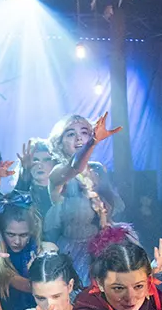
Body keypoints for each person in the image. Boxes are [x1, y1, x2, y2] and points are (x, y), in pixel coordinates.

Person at [43, 113, 123, 284]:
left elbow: (110, 208)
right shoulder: (58, 173)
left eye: (85, 132)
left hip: (103, 249)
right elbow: (76, 167)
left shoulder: (98, 169)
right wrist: (92, 142)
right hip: (73, 254)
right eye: (71, 133)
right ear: (59, 143)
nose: (79, 138)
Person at [0, 192, 57, 310]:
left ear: (32, 231)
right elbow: (21, 284)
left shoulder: (38, 250)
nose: (17, 241)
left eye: (23, 235)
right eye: (11, 234)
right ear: (1, 231)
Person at [15, 138, 55, 216]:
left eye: (46, 160)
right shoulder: (22, 192)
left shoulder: (64, 193)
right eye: (35, 160)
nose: (40, 165)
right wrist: (25, 172)